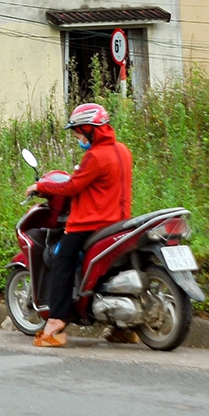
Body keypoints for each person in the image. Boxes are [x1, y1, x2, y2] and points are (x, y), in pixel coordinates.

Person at [26, 103, 133, 348]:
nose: (78, 138)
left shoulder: (95, 156)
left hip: (91, 223)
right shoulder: (123, 150)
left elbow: (71, 186)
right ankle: (124, 329)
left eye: (78, 134)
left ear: (89, 129)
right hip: (119, 222)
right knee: (111, 270)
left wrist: (41, 186)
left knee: (62, 261)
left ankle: (55, 323)